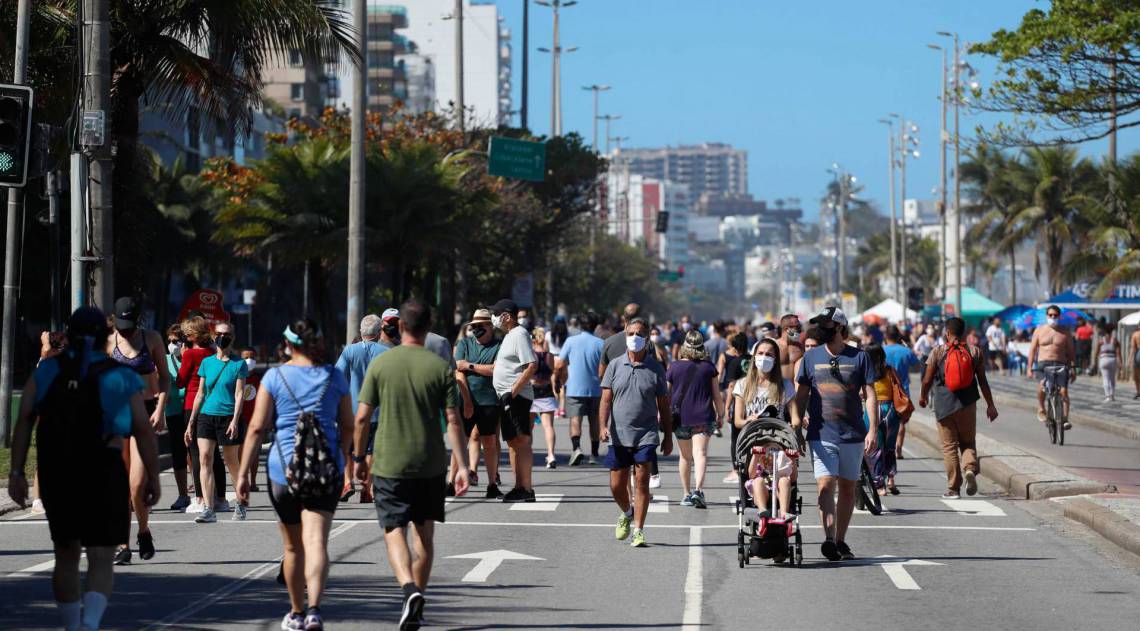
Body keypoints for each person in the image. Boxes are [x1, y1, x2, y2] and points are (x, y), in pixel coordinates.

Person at [8, 307, 160, 631]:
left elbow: (24, 422)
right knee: (102, 555)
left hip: (58, 470)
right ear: (107, 336)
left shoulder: (47, 371)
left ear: (68, 333)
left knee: (66, 554)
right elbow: (143, 430)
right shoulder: (120, 375)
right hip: (103, 468)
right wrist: (152, 476)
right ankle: (89, 624)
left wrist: (17, 473)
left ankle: (71, 626)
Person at [352, 299, 470, 630]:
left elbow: (362, 419)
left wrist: (359, 459)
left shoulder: (381, 364)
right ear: (428, 326)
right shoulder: (439, 367)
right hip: (431, 464)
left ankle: (408, 590)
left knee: (394, 532)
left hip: (389, 463)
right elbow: (454, 421)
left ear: (400, 327)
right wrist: (461, 466)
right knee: (425, 536)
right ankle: (417, 595)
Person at [237, 319, 352, 631]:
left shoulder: (274, 376)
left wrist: (245, 475)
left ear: (287, 344)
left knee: (292, 548)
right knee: (317, 543)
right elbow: (348, 424)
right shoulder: (334, 376)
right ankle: (315, 610)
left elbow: (257, 429)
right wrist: (342, 455)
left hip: (282, 471)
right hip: (325, 470)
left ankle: (296, 612)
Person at [793, 307, 878, 562]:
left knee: (848, 489)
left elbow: (871, 395)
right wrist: (797, 426)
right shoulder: (810, 358)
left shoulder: (860, 358)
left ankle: (840, 540)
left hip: (852, 433)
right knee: (825, 485)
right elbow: (801, 394)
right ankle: (829, 539)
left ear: (840, 328)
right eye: (820, 325)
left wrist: (872, 428)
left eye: (827, 325)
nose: (822, 330)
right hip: (821, 433)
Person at [105, 297, 168, 565]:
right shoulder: (109, 343)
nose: (126, 331)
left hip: (145, 412)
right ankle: (123, 544)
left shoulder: (151, 339)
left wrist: (160, 409)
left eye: (129, 325)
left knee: (137, 485)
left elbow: (165, 377)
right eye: (122, 325)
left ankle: (143, 531)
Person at [599, 322, 673, 547]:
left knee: (641, 483)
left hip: (646, 434)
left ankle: (639, 530)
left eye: (639, 334)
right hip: (618, 434)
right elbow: (605, 399)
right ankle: (628, 512)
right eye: (630, 334)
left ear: (647, 338)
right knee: (616, 485)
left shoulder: (655, 368)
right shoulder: (614, 365)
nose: (634, 337)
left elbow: (664, 405)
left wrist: (668, 436)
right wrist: (602, 425)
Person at [919, 317, 1000, 498]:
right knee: (968, 442)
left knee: (949, 447)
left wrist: (923, 396)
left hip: (944, 406)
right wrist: (990, 405)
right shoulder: (975, 352)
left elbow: (927, 379)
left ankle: (953, 488)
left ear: (947, 333)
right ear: (964, 333)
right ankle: (970, 469)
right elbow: (983, 382)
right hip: (968, 404)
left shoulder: (938, 352)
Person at [186, 320, 249, 523]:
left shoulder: (238, 364)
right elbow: (200, 393)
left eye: (227, 334)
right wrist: (191, 421)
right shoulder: (207, 362)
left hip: (228, 416)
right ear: (214, 336)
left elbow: (239, 394)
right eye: (220, 334)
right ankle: (208, 508)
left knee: (232, 462)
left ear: (233, 337)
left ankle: (240, 502)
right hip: (206, 415)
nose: (223, 337)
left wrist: (235, 420)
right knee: (205, 458)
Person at [734, 338, 802, 516]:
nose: (764, 358)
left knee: (785, 477)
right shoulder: (743, 385)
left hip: (778, 439)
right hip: (754, 439)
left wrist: (792, 425)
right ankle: (762, 508)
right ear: (754, 356)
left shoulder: (785, 385)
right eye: (761, 354)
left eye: (769, 355)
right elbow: (737, 421)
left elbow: (795, 418)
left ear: (775, 359)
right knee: (755, 476)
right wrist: (750, 419)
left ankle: (784, 510)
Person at [335, 314, 389, 504]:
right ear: (379, 332)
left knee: (347, 448)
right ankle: (367, 489)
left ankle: (348, 482)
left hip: (352, 410)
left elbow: (337, 375)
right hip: (378, 410)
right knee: (371, 451)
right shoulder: (386, 352)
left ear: (361, 332)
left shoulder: (350, 351)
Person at [667, 330, 724, 508]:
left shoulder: (674, 367)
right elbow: (717, 396)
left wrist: (662, 415)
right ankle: (699, 490)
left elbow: (665, 395)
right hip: (704, 416)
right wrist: (721, 415)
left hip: (680, 417)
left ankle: (686, 493)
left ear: (685, 345)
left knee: (685, 457)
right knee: (700, 454)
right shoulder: (709, 368)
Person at [177, 317, 227, 516]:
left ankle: (199, 498)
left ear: (192, 336)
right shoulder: (213, 352)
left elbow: (181, 381)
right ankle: (221, 498)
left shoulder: (190, 354)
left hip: (192, 403)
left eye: (186, 335)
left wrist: (181, 358)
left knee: (196, 452)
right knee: (215, 455)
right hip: (212, 404)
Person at [490, 298, 538, 503]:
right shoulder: (510, 335)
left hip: (516, 397)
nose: (494, 318)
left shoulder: (519, 334)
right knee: (513, 441)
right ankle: (519, 486)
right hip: (507, 396)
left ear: (507, 316)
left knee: (521, 440)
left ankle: (526, 488)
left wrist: (513, 391)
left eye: (496, 313)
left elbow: (531, 365)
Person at [455, 309, 503, 498]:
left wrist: (470, 366)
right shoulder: (464, 344)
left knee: (490, 442)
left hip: (490, 401)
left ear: (490, 327)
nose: (476, 329)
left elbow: (496, 370)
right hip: (466, 400)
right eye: (474, 326)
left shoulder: (499, 345)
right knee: (461, 441)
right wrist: (467, 400)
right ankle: (451, 482)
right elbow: (458, 370)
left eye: (480, 326)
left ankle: (492, 484)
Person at [556, 311, 604, 466]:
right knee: (594, 421)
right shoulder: (601, 343)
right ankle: (594, 454)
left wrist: (559, 379)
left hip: (574, 387)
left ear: (579, 325)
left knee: (575, 420)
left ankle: (576, 448)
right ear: (596, 326)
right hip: (596, 388)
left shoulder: (571, 341)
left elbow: (559, 364)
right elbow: (605, 368)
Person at [1027, 305, 1076, 429]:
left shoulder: (1065, 332)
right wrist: (1029, 367)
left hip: (1060, 363)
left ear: (1059, 316)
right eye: (1050, 315)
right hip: (1044, 364)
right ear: (1047, 316)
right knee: (1042, 384)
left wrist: (1073, 368)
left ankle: (1065, 418)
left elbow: (1071, 352)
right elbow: (1032, 350)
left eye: (1055, 315)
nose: (1053, 317)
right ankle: (1041, 407)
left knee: (1063, 391)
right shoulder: (1039, 330)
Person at [866, 344, 902, 495]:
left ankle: (879, 485)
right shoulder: (889, 370)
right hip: (890, 411)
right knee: (890, 447)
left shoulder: (866, 371)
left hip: (873, 410)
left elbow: (862, 393)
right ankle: (891, 478)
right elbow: (899, 387)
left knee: (875, 448)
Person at [163, 325, 191, 511]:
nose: (172, 345)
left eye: (176, 341)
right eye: (170, 341)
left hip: (191, 410)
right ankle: (183, 495)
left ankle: (203, 492)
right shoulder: (164, 360)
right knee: (178, 452)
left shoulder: (192, 358)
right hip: (172, 411)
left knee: (195, 450)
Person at [882, 325, 918, 461]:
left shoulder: (882, 350)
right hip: (903, 392)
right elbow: (917, 366)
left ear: (886, 336)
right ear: (898, 337)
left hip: (885, 390)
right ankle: (899, 449)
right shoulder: (905, 351)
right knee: (901, 422)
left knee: (884, 420)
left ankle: (886, 447)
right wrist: (907, 347)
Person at [528, 327, 560, 468]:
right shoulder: (549, 355)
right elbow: (552, 372)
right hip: (546, 391)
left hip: (532, 391)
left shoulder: (530, 355)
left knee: (528, 428)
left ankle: (527, 454)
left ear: (533, 339)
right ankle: (551, 455)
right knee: (548, 426)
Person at [720, 333, 750, 484]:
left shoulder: (735, 362)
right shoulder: (753, 360)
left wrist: (727, 407)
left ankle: (736, 470)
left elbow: (732, 386)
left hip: (739, 403)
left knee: (735, 439)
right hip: (754, 403)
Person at [1094, 323, 1122, 402]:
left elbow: (1096, 352)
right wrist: (1121, 363)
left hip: (1103, 360)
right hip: (1113, 359)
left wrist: (1095, 362)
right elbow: (1119, 353)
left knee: (1105, 378)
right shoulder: (1115, 340)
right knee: (1112, 379)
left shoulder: (1101, 341)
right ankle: (1112, 395)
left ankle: (1107, 396)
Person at [1132, 326, 1140, 399]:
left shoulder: (1135, 334)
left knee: (1136, 376)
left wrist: (1130, 359)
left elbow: (1133, 348)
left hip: (1138, 354)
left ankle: (1138, 392)